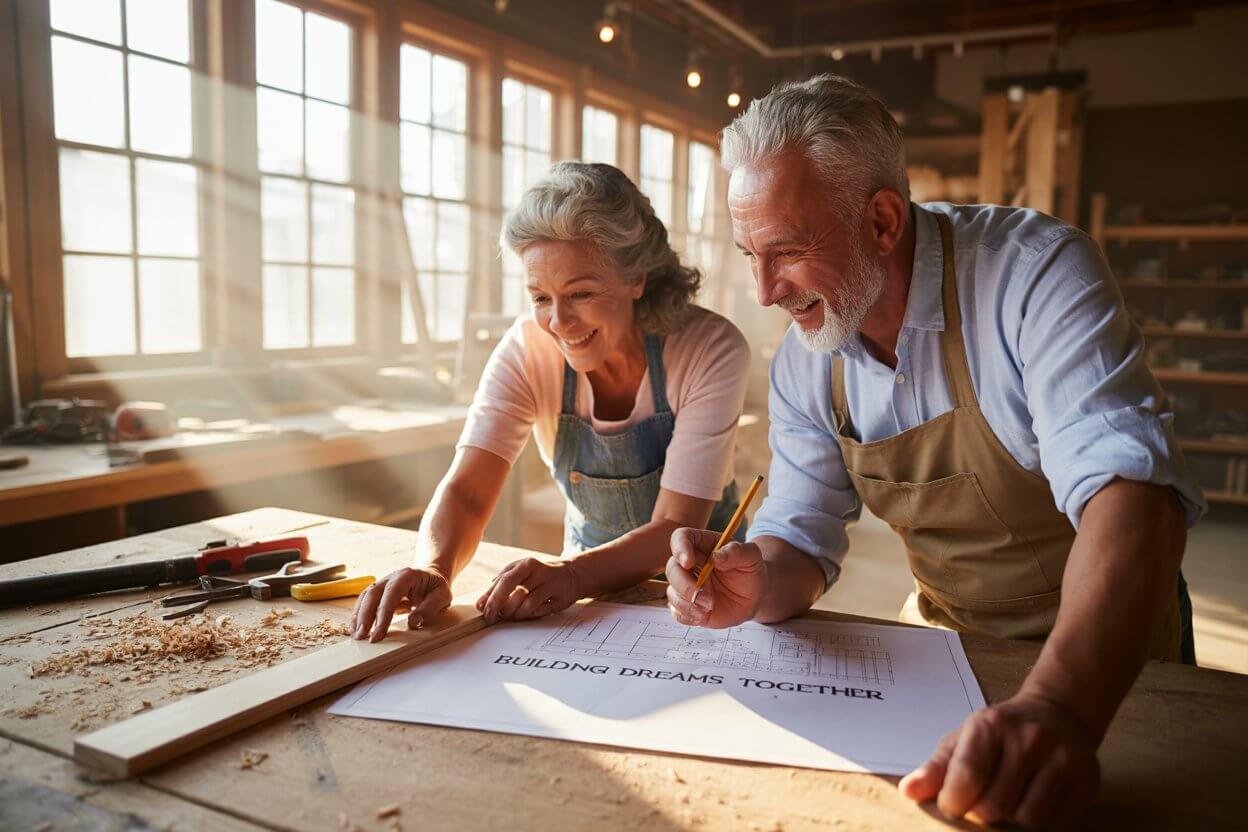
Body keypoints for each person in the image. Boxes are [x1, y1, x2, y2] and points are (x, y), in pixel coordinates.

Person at [664, 75, 1205, 830]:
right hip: (948, 655)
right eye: (749, 253)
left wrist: (1060, 705)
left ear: (882, 221)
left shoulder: (1034, 275)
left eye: (786, 250)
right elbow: (799, 541)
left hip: (1105, 664)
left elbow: (1132, 495)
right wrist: (751, 586)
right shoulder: (804, 360)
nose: (762, 290)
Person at [353, 161, 750, 641]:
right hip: (581, 593)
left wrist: (572, 574)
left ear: (636, 278)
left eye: (580, 292)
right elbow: (468, 489)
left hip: (707, 592)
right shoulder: (526, 350)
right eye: (540, 297)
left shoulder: (709, 348)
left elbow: (676, 524)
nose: (559, 322)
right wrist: (435, 568)